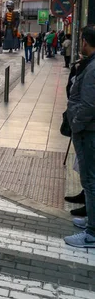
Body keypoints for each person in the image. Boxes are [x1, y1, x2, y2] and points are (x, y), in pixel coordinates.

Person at [64, 26, 95, 248]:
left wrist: (76, 124)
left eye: (82, 39)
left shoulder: (92, 69)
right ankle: (90, 223)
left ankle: (91, 233)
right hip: (87, 129)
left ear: (85, 41)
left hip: (88, 131)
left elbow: (89, 104)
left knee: (90, 181)